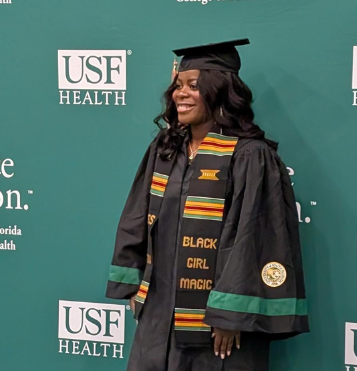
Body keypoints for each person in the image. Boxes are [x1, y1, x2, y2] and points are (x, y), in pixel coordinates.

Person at [106, 39, 309, 371]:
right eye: (178, 86)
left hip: (217, 323)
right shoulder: (167, 148)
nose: (180, 94)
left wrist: (230, 313)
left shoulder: (249, 156)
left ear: (219, 91)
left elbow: (253, 238)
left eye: (193, 87)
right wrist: (133, 281)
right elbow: (137, 214)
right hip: (160, 311)